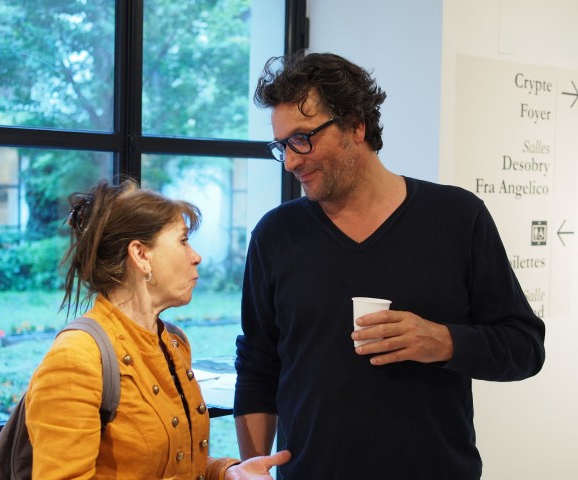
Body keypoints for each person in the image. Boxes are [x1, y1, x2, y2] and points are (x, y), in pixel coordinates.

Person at [233, 52, 546, 479]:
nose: (291, 161)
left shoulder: (457, 217)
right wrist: (253, 467)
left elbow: (525, 347)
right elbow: (258, 364)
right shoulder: (276, 235)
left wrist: (444, 341)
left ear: (356, 126)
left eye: (303, 139)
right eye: (282, 145)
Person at [24, 179, 290, 479]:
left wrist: (226, 472)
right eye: (183, 241)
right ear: (141, 255)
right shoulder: (75, 358)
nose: (196, 256)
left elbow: (172, 462)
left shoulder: (173, 342)